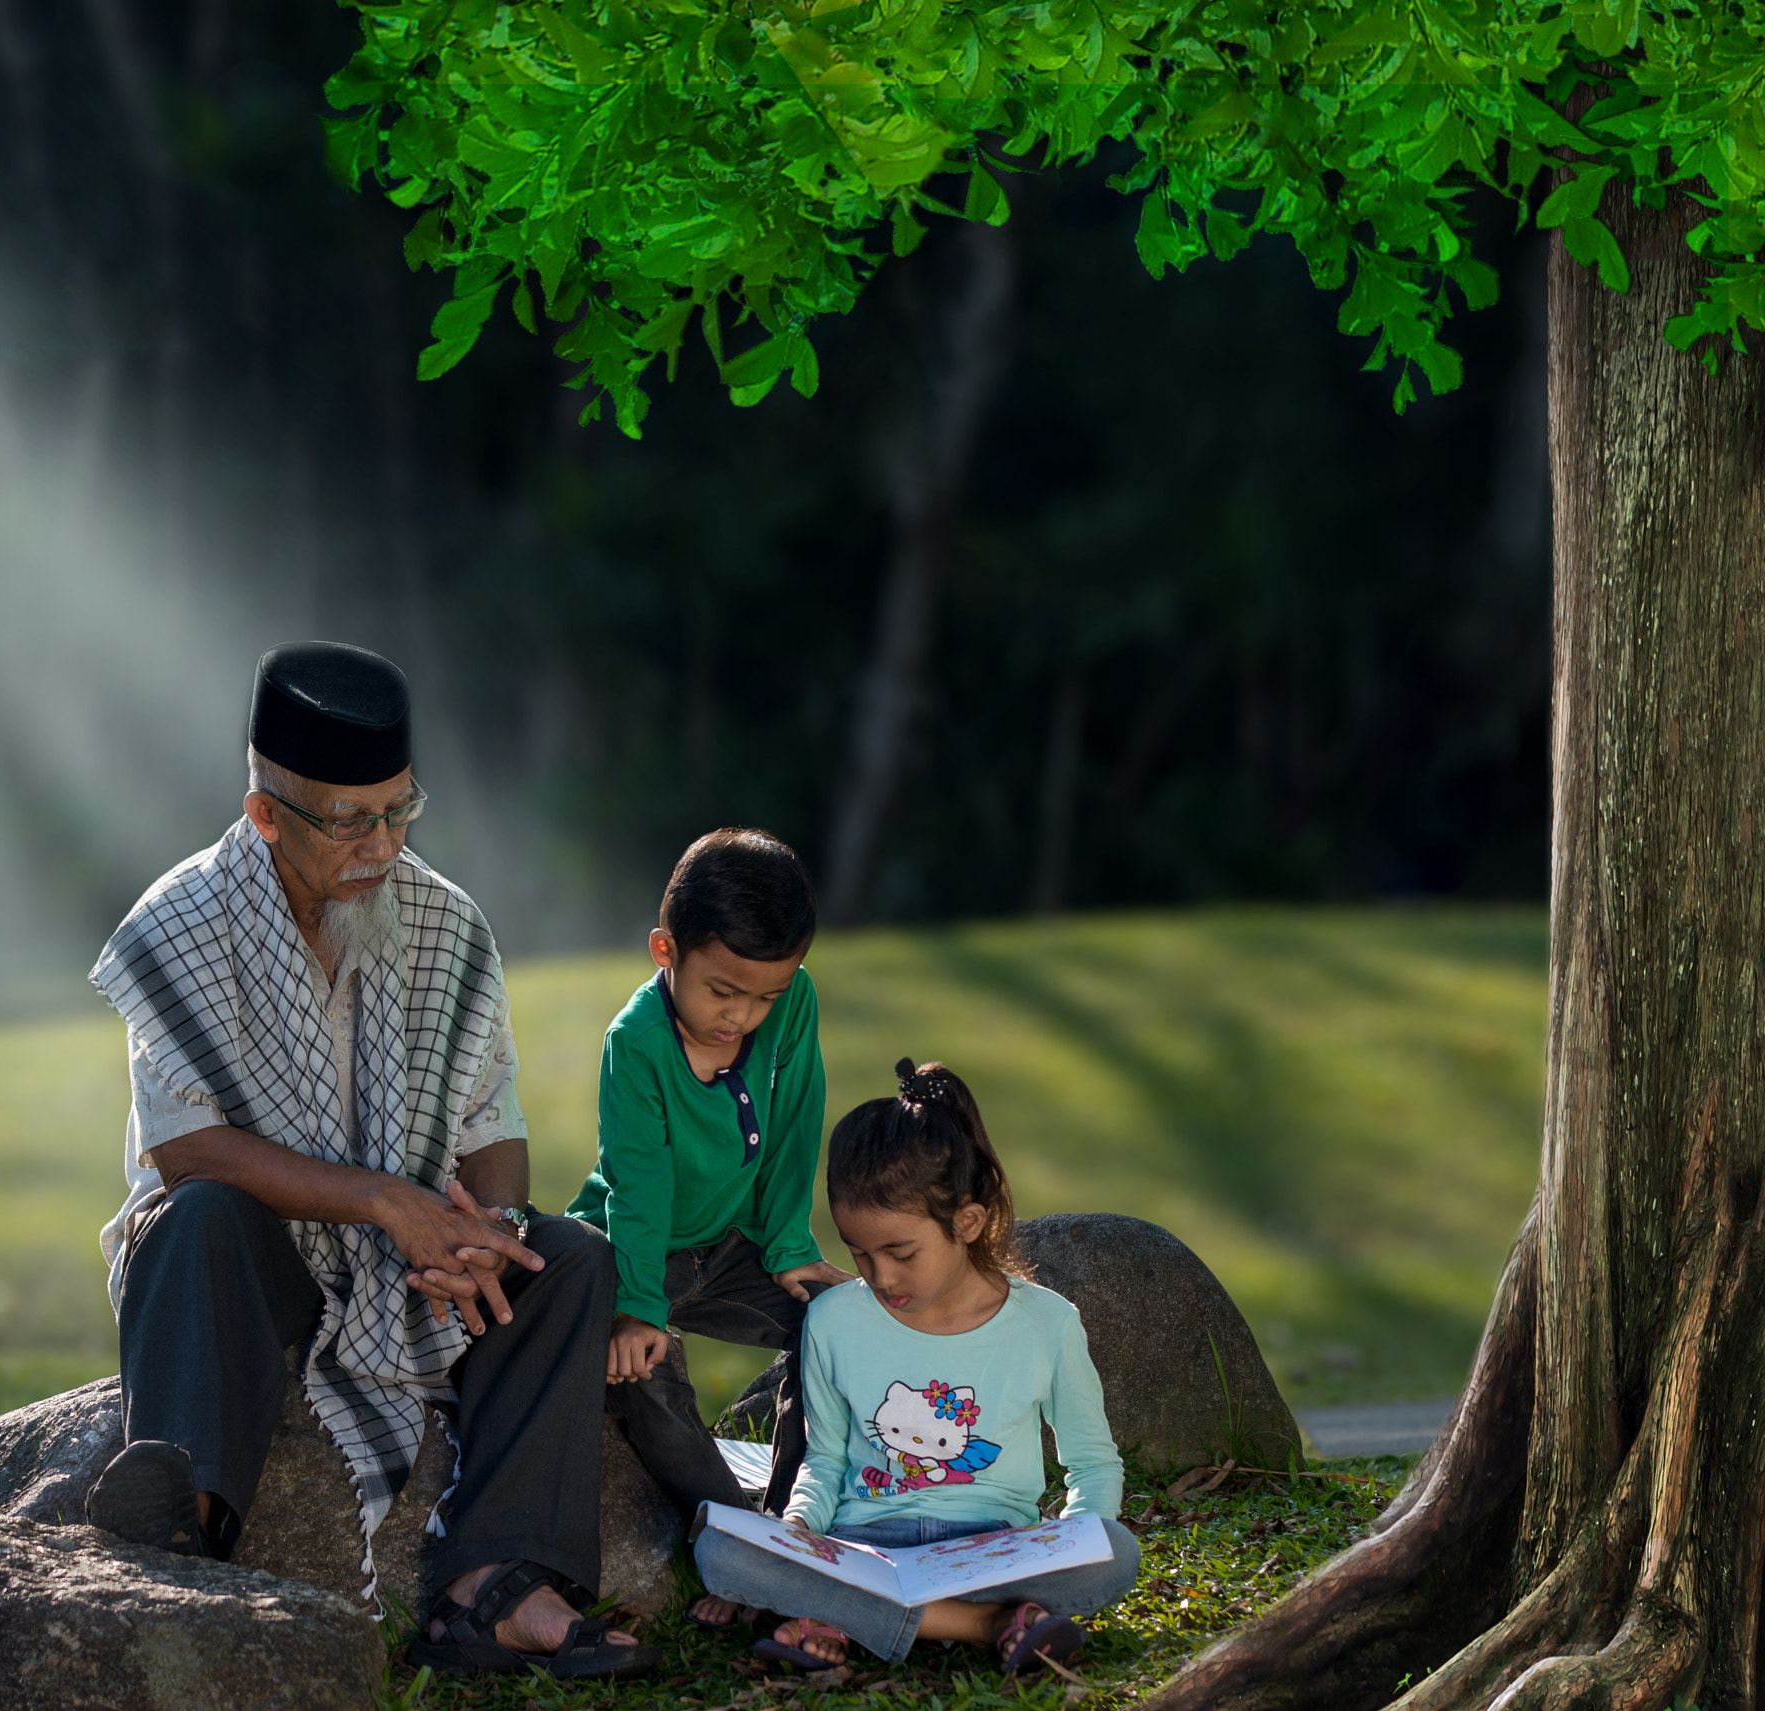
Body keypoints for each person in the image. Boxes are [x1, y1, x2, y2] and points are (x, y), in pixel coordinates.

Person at [86, 640, 658, 1680]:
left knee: (567, 1260)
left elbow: (491, 1128)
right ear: (265, 813)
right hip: (250, 1268)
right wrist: (383, 1201)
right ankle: (189, 1525)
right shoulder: (179, 925)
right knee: (200, 1217)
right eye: (351, 821)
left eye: (400, 810)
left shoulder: (446, 921)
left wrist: (483, 1237)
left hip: (411, 1274)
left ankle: (491, 1586)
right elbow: (184, 1149)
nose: (382, 843)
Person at [693, 1058, 1141, 1675]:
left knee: (1114, 1550)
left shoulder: (1048, 1324)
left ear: (968, 1222)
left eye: (900, 1252)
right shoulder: (833, 1321)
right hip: (865, 1545)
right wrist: (798, 1531)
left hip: (994, 1551)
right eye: (859, 1253)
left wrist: (1076, 1540)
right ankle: (985, 1625)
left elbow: (1092, 1463)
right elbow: (826, 1461)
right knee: (720, 1550)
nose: (879, 1277)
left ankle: (842, 1613)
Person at [567, 830, 851, 1522]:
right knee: (641, 1372)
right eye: (723, 991)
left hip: (728, 1243)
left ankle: (796, 1515)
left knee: (838, 1323)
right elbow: (637, 1186)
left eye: (765, 997)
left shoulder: (792, 1000)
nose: (742, 1016)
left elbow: (796, 1118)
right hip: (636, 1249)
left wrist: (788, 1244)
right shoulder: (635, 1044)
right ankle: (728, 1527)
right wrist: (636, 1305)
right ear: (666, 950)